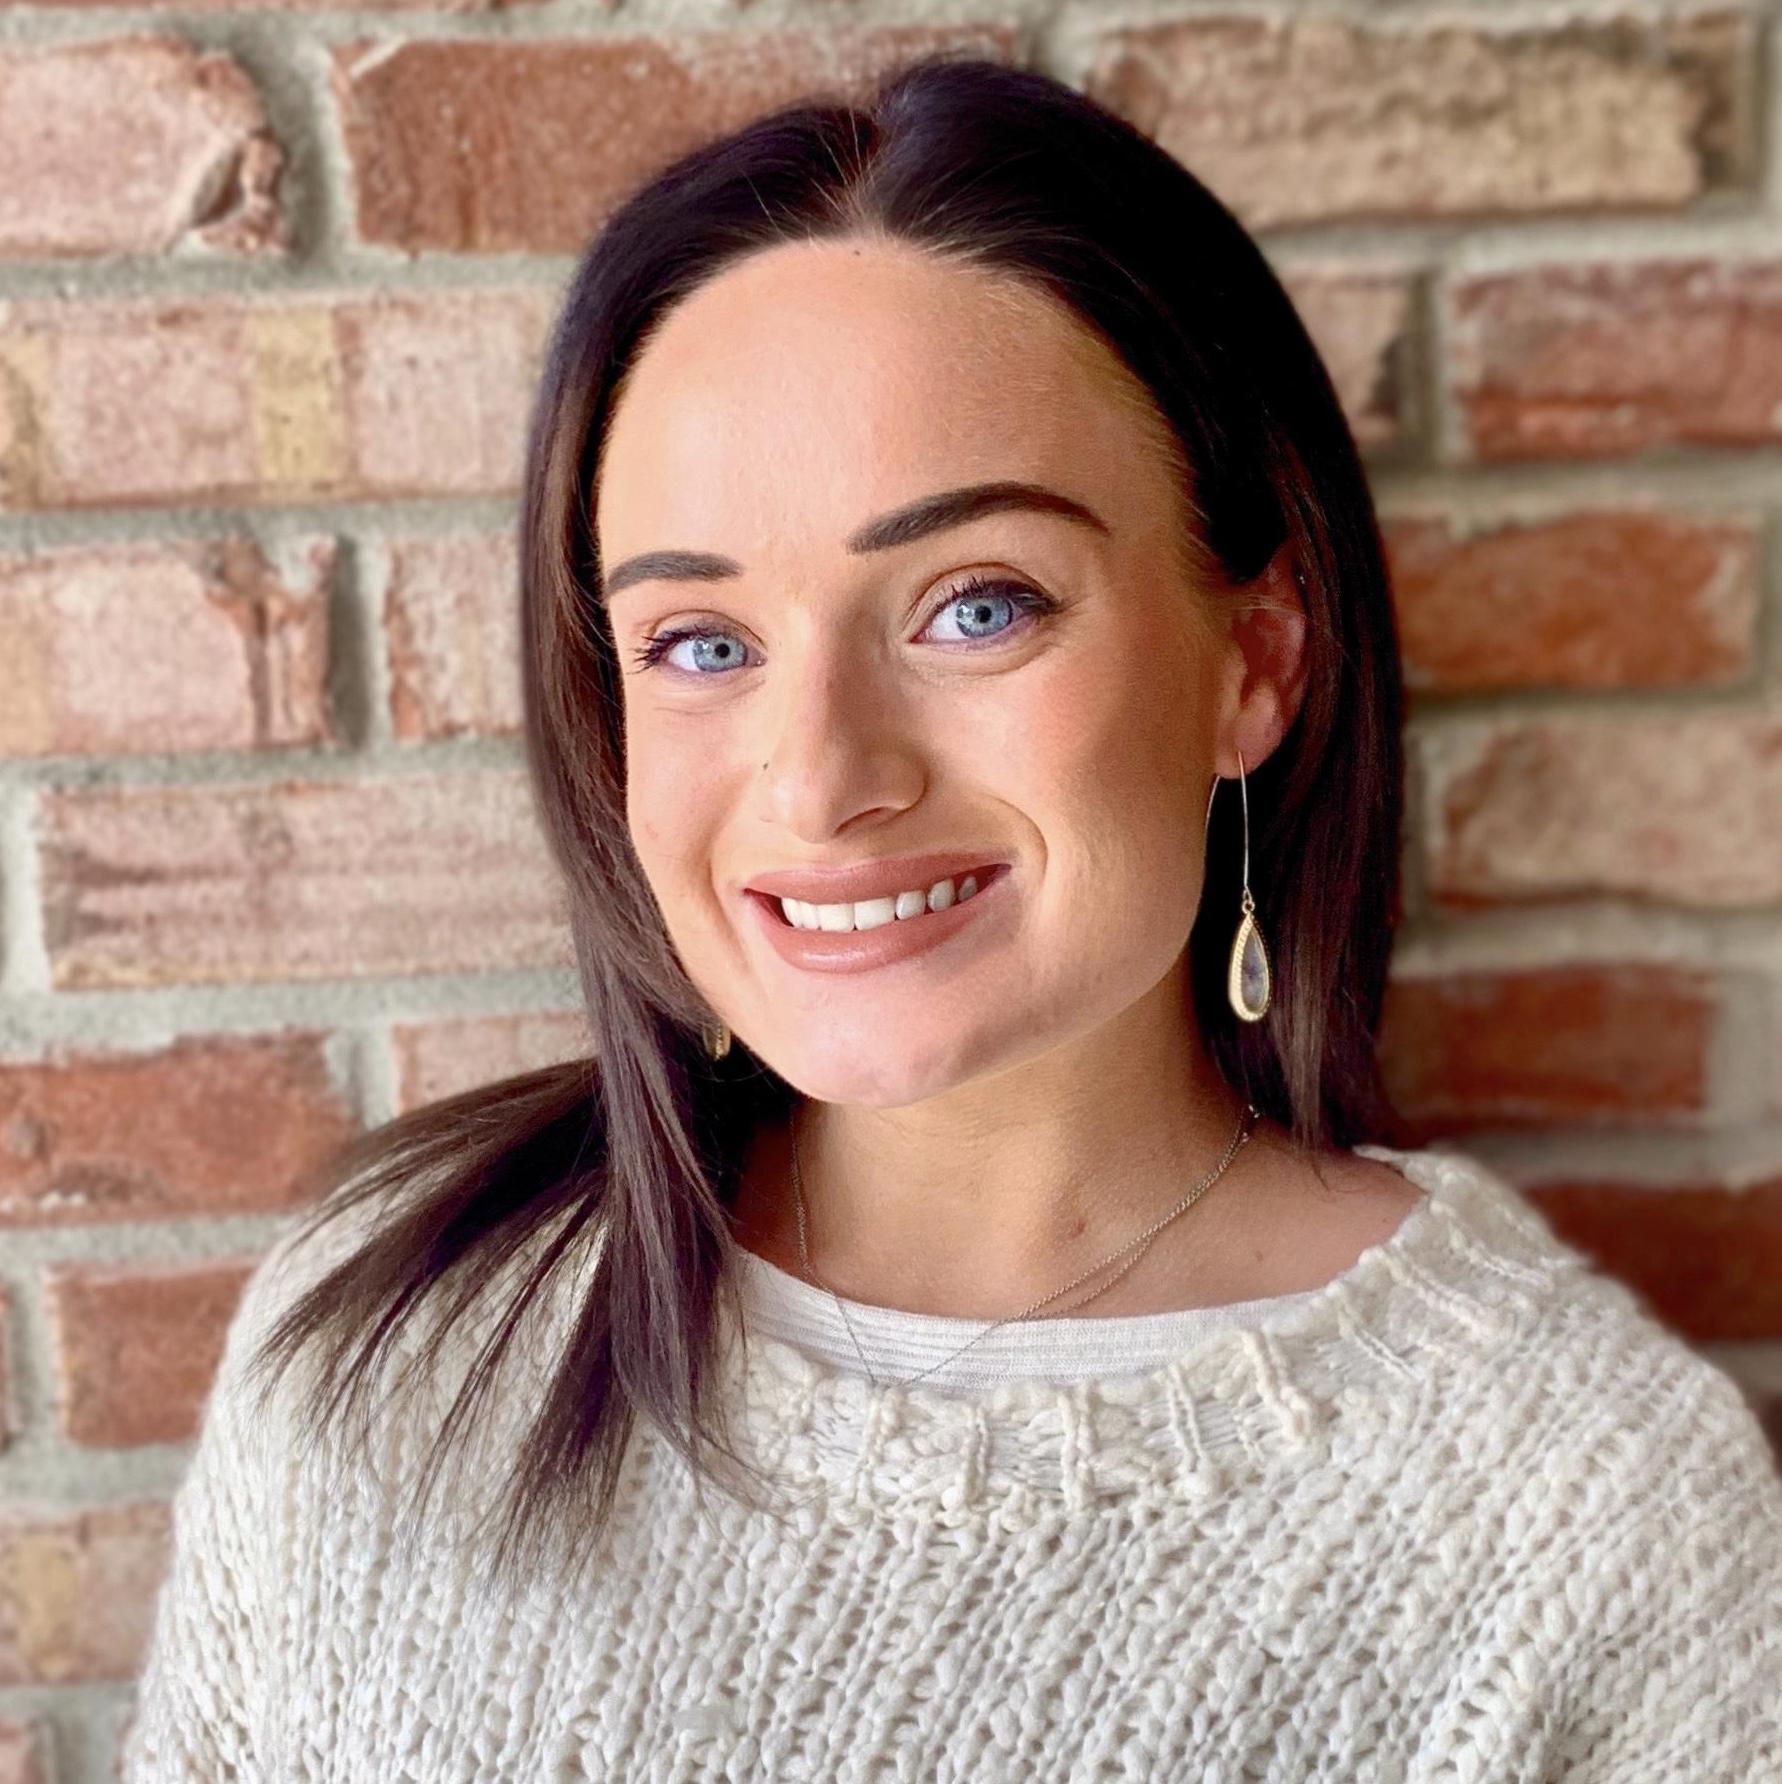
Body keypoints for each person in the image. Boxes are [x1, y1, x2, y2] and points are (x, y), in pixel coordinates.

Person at [121, 56, 1781, 1782]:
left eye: (975, 606)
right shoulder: (393, 1336)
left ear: (1252, 663)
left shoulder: (1589, 1520)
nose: (819, 778)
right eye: (700, 643)